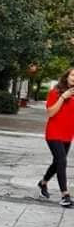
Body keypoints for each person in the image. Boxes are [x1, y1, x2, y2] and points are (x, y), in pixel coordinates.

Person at [38, 67, 74, 208]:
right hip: (54, 133)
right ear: (67, 76)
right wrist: (63, 97)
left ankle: (43, 183)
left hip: (68, 134)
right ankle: (65, 195)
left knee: (57, 162)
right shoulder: (55, 92)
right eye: (72, 75)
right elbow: (50, 113)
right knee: (62, 161)